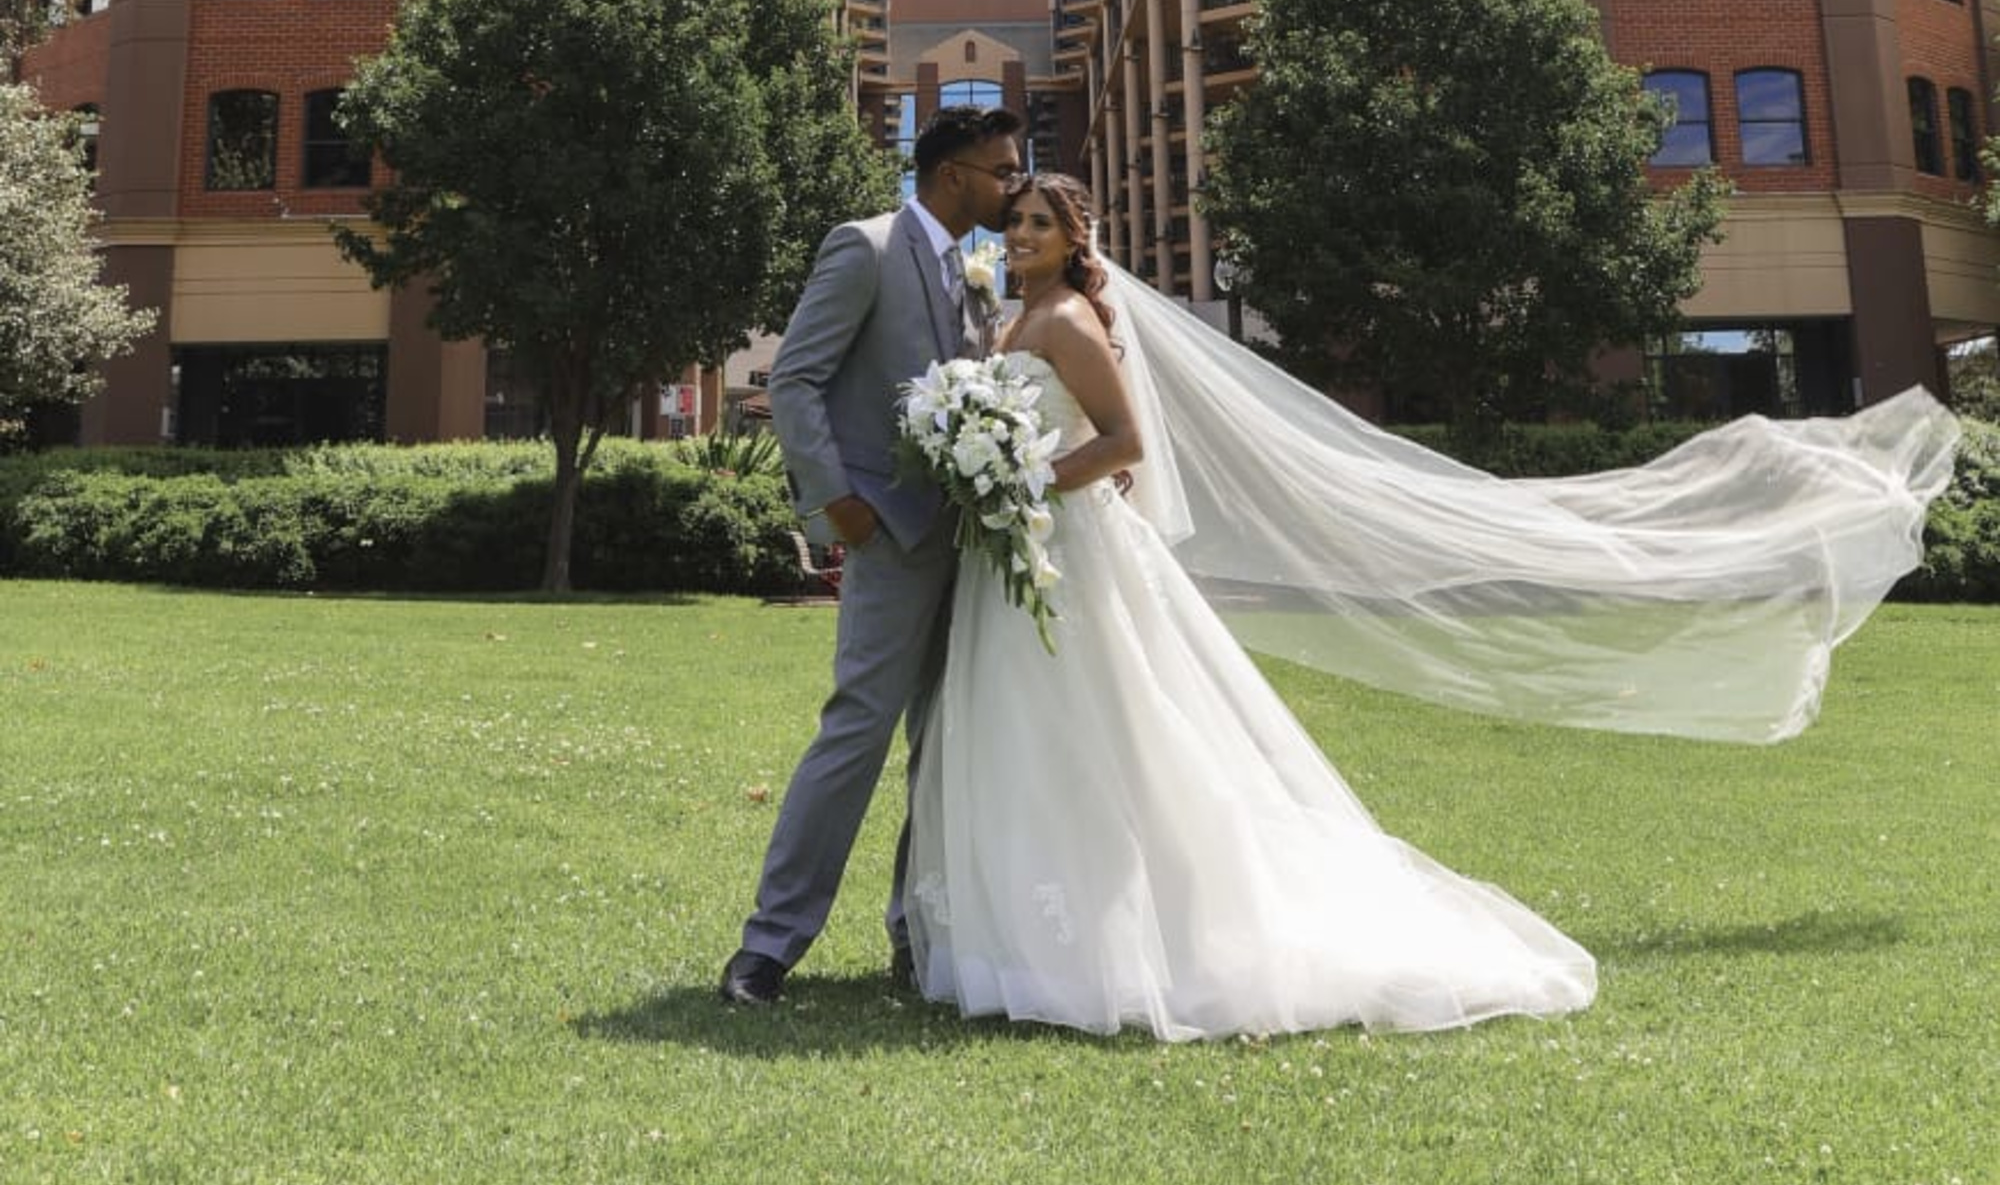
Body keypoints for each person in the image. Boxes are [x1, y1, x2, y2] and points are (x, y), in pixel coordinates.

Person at [902, 172, 1958, 1042]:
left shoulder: (1074, 317)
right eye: (1019, 223)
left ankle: (1117, 937)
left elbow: (1124, 443)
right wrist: (985, 470)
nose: (1026, 234)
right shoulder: (1011, 317)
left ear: (1075, 237)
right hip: (1025, 558)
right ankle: (1016, 939)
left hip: (1069, 551)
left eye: (1044, 223)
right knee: (1029, 731)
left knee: (1110, 732)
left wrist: (1026, 479)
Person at [719, 105, 1024, 1008]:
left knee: (945, 747)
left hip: (968, 543)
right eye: (1002, 170)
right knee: (856, 733)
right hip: (886, 535)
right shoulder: (864, 245)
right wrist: (835, 504)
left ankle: (916, 937)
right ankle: (768, 947)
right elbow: (799, 376)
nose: (1014, 184)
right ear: (952, 173)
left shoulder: (978, 278)